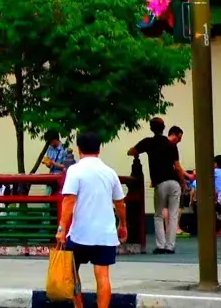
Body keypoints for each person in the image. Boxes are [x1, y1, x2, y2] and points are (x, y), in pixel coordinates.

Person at [55, 132, 127, 308]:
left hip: (80, 233)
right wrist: (123, 224)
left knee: (72, 272)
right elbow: (120, 203)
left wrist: (61, 229)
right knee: (102, 276)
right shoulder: (110, 172)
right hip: (105, 234)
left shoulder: (75, 170)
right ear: (99, 149)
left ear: (79, 149)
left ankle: (79, 306)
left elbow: (69, 200)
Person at [126, 117, 184, 254]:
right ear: (164, 128)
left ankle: (161, 245)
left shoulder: (148, 142)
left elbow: (131, 152)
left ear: (152, 128)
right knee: (173, 214)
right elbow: (177, 167)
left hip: (160, 182)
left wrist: (135, 151)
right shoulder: (171, 145)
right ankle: (170, 246)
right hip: (174, 182)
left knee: (158, 215)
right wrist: (183, 182)